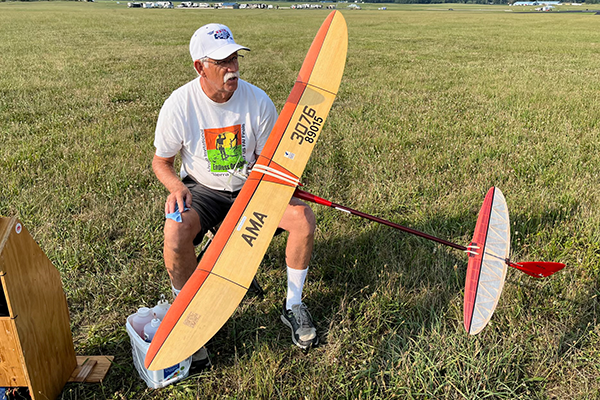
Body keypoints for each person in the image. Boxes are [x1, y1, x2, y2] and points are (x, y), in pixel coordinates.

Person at [152, 23, 319, 360]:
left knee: (302, 217)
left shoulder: (257, 101)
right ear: (200, 66)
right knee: (175, 230)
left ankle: (294, 304)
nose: (232, 69)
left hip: (252, 187)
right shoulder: (179, 104)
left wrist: (284, 188)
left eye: (234, 59)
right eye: (221, 63)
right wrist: (174, 187)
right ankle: (184, 312)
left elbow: (268, 161)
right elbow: (161, 162)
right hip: (204, 189)